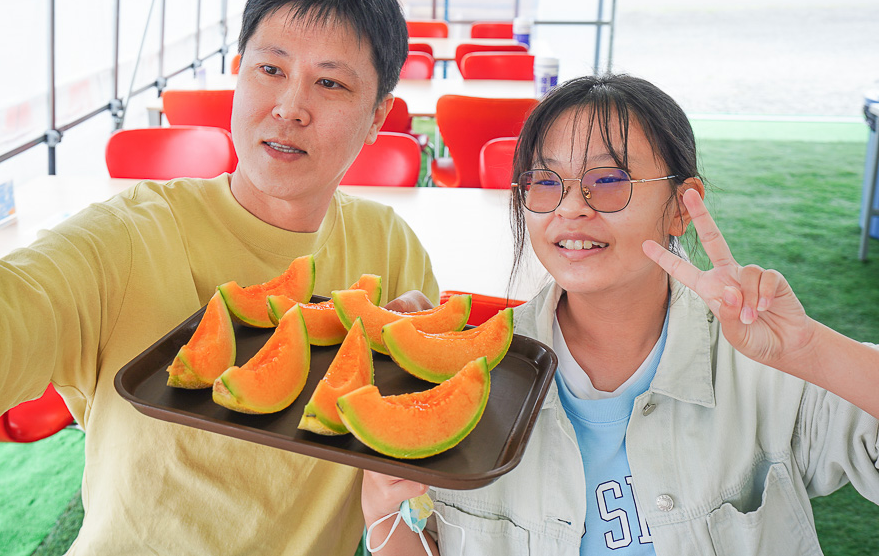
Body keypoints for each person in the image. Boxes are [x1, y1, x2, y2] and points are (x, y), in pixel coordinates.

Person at [0, 0, 438, 555]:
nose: (289, 107)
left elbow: (416, 521)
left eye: (330, 83)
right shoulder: (127, 237)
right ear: (238, 75)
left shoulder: (391, 249)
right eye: (271, 69)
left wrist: (391, 498)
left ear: (378, 116)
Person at [362, 73, 879, 555]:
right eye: (545, 181)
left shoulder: (767, 368)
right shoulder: (466, 378)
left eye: (608, 179)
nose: (570, 207)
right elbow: (421, 539)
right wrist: (382, 504)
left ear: (682, 205)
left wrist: (810, 351)